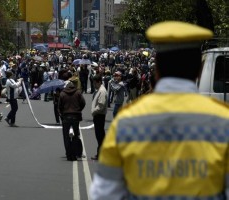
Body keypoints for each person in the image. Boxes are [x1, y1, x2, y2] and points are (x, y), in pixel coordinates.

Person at [89, 21, 229, 199]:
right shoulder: (223, 121)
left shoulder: (126, 122)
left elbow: (103, 194)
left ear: (157, 69)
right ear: (199, 70)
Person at [58, 81, 86, 161]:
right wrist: (78, 110)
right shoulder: (78, 93)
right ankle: (74, 154)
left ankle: (68, 154)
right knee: (75, 136)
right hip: (75, 116)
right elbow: (83, 103)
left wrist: (62, 114)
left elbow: (59, 106)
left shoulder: (62, 94)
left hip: (66, 116)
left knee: (66, 137)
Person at [90, 74, 107, 161]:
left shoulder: (102, 91)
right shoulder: (99, 90)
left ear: (99, 82)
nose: (94, 85)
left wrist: (94, 111)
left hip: (99, 116)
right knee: (100, 136)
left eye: (95, 83)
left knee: (100, 136)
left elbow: (101, 105)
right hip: (98, 116)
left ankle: (100, 154)